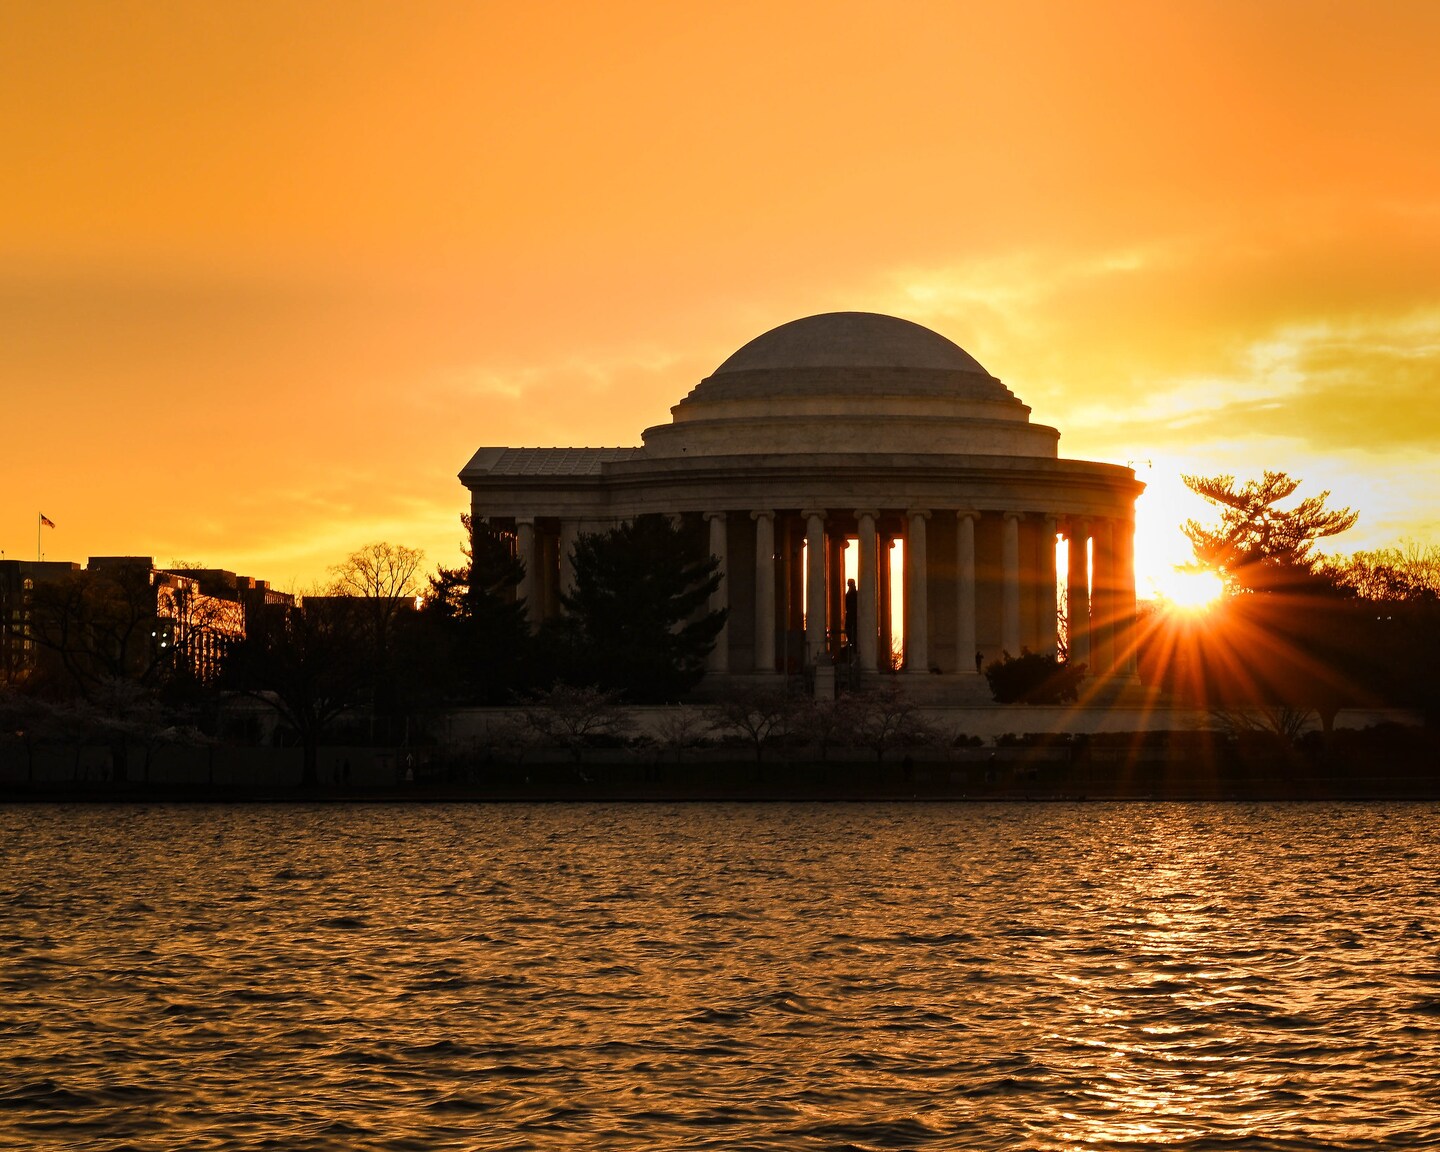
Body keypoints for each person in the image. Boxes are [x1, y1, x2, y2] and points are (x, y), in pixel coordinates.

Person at [844, 578, 858, 647]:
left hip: (853, 617)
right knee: (849, 630)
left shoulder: (853, 594)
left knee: (851, 631)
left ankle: (853, 644)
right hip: (850, 616)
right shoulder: (850, 593)